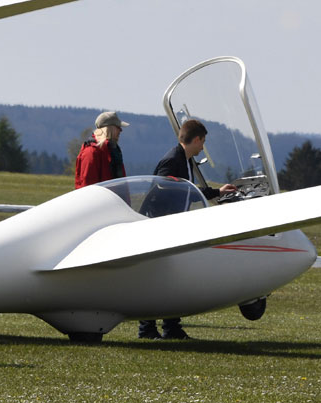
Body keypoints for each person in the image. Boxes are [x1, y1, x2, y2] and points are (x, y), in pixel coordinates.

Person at [139, 119, 237, 340]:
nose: (203, 147)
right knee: (157, 280)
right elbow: (163, 189)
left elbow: (187, 191)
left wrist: (217, 192)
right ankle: (147, 329)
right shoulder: (173, 160)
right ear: (196, 139)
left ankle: (171, 328)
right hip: (161, 229)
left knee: (174, 280)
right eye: (203, 141)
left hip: (172, 228)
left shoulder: (184, 159)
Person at [74, 111, 128, 188]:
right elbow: (88, 188)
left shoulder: (114, 151)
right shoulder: (91, 152)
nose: (121, 130)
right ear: (110, 129)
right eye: (118, 127)